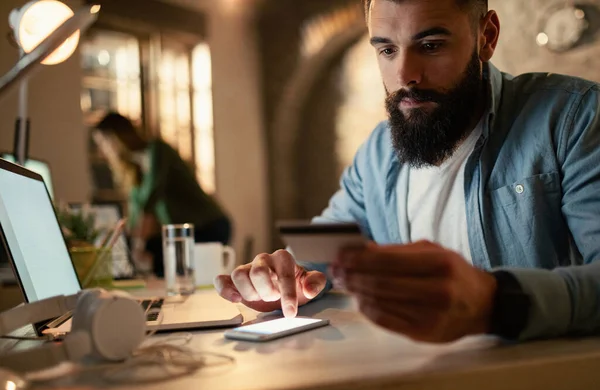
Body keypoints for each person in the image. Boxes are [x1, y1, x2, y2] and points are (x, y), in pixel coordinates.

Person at [216, 0, 600, 343]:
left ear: (487, 36)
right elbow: (318, 256)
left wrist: (495, 302)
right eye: (386, 49)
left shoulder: (575, 120)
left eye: (430, 46)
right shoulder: (377, 155)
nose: (405, 74)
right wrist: (279, 276)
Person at [93, 112, 232, 277]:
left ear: (116, 137)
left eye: (103, 142)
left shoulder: (157, 150)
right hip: (183, 231)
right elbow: (136, 212)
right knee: (153, 255)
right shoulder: (133, 167)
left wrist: (138, 244)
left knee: (160, 259)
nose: (103, 150)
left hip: (208, 225)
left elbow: (151, 198)